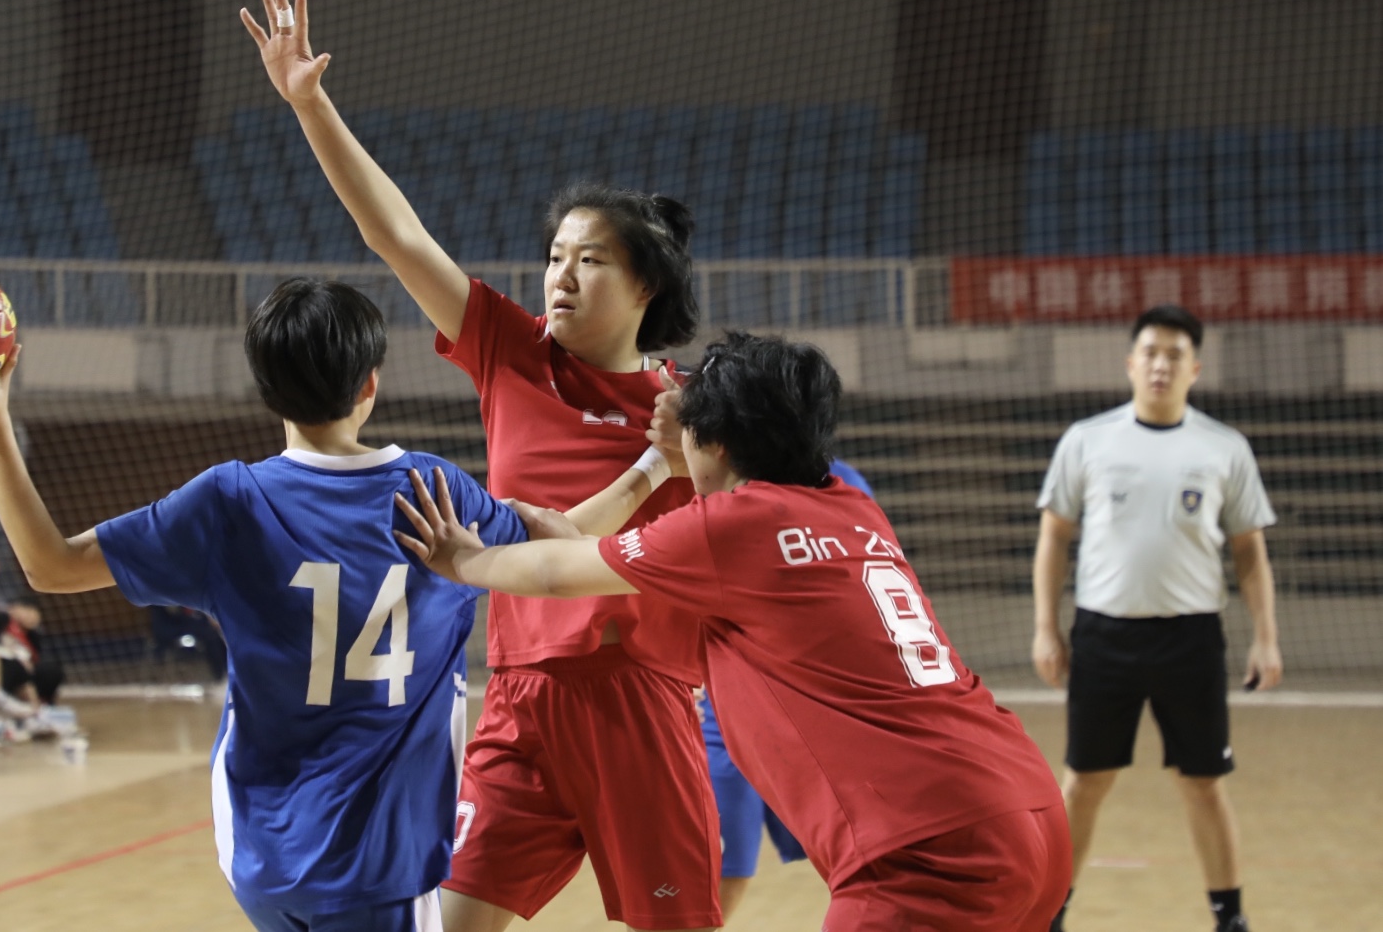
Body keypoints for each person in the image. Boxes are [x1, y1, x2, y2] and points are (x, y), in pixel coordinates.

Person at [0, 278, 665, 931]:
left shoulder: (226, 501)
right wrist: (655, 465)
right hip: (376, 861)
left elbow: (48, 565)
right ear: (370, 383)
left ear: (264, 389)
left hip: (258, 852)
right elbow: (565, 541)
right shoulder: (433, 493)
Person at [243, 0, 721, 932]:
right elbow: (395, 234)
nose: (559, 275)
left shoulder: (692, 410)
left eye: (588, 259)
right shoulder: (511, 353)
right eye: (553, 255)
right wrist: (308, 101)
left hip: (640, 699)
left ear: (645, 285)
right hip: (515, 698)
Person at [395, 332, 1072, 932]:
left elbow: (551, 574)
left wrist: (461, 558)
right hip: (1028, 813)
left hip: (924, 850)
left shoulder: (732, 528)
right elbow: (611, 549)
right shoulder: (854, 507)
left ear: (714, 442)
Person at [1033, 305, 1281, 932]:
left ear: (1194, 367)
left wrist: (1266, 639)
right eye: (1150, 352)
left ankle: (1230, 917)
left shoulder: (1224, 448)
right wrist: (1046, 627)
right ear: (1130, 362)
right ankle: (1049, 911)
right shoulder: (1087, 440)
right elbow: (1054, 536)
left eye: (1174, 354)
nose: (1161, 364)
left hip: (1191, 637)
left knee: (1203, 782)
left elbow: (1250, 551)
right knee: (1084, 781)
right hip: (1104, 636)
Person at [704, 455, 876, 922]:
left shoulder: (845, 486)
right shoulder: (709, 488)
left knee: (854, 861)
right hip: (723, 721)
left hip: (809, 725)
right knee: (725, 868)